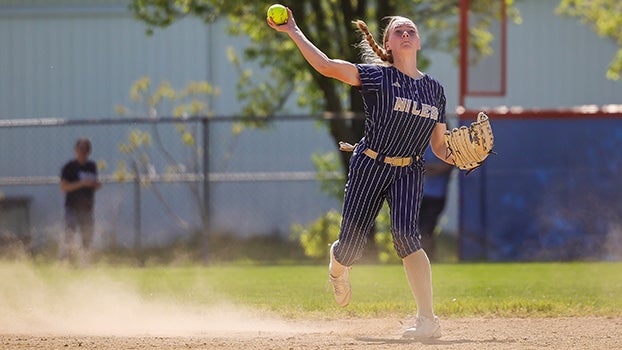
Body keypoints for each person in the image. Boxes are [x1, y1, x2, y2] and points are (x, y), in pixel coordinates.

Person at [268, 9, 457, 339]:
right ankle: (337, 265)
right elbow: (327, 66)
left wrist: (461, 156)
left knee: (407, 238)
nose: (406, 34)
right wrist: (294, 31)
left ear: (420, 42)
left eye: (411, 30)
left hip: (409, 169)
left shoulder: (435, 90)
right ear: (388, 43)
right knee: (351, 248)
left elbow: (439, 147)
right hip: (370, 164)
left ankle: (428, 320)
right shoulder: (377, 77)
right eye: (399, 32)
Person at [59, 138, 101, 263]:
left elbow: (94, 183)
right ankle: (65, 261)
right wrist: (81, 183)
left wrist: (94, 184)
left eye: (86, 149)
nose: (83, 151)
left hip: (87, 208)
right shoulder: (69, 167)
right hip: (72, 207)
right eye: (80, 148)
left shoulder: (91, 166)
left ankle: (85, 261)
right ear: (76, 150)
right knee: (69, 233)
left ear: (89, 151)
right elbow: (64, 187)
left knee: (87, 235)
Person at [419, 145, 453, 261]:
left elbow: (446, 167)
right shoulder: (423, 146)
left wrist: (429, 168)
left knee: (427, 230)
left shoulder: (447, 148)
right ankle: (422, 258)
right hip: (420, 195)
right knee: (416, 231)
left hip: (436, 196)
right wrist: (432, 169)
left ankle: (428, 258)